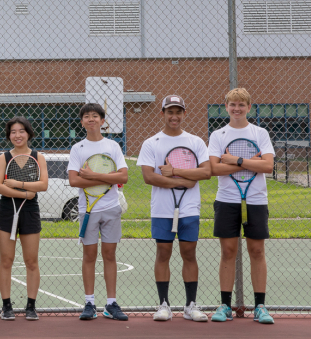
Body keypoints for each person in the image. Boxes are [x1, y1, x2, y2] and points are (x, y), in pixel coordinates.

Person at [137, 96, 212, 322]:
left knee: (189, 253)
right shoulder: (152, 143)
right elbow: (149, 177)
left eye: (178, 112)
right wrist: (184, 182)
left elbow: (206, 172)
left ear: (184, 114)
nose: (174, 116)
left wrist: (176, 172)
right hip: (162, 210)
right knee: (163, 253)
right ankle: (163, 305)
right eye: (170, 111)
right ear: (162, 114)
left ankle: (190, 306)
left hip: (189, 209)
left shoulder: (196, 141)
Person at [207, 88, 276, 324]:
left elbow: (268, 166)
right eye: (232, 104)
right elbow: (214, 169)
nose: (237, 109)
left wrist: (234, 160)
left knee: (257, 251)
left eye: (241, 105)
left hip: (256, 200)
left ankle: (260, 306)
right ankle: (225, 305)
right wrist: (250, 163)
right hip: (227, 200)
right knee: (228, 252)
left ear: (249, 106)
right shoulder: (218, 135)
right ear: (225, 106)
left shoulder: (260, 133)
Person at [68, 103, 129, 321]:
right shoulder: (78, 148)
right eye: (86, 116)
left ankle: (111, 304)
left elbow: (122, 177)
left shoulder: (112, 146)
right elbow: (74, 179)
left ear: (103, 121)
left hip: (111, 209)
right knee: (89, 256)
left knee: (110, 255)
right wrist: (105, 177)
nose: (91, 119)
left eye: (95, 116)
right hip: (88, 211)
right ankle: (90, 303)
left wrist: (92, 176)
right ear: (82, 121)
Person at [0, 117, 48, 321]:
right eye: (13, 132)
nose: (17, 135)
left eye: (21, 131)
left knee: (31, 261)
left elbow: (43, 185)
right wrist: (24, 193)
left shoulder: (38, 156)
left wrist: (17, 184)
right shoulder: (3, 158)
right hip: (7, 210)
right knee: (6, 260)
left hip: (30, 210)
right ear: (9, 136)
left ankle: (31, 306)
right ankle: (7, 306)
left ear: (29, 133)